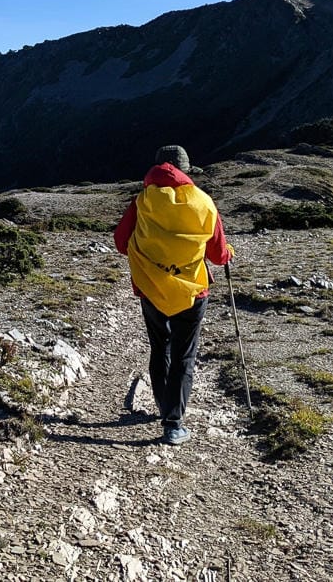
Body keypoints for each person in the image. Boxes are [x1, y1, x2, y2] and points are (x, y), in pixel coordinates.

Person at [114, 145, 232, 445]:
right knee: (184, 354)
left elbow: (120, 242)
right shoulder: (204, 203)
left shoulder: (142, 201)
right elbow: (218, 255)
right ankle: (173, 421)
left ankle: (163, 404)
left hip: (151, 288)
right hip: (193, 290)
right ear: (186, 170)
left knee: (160, 347)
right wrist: (228, 251)